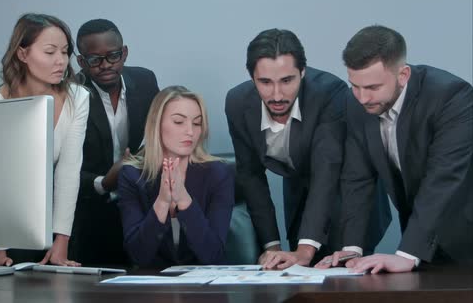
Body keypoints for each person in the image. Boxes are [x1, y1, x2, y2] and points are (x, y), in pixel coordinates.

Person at [225, 28, 390, 270]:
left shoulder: (329, 93)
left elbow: (327, 168)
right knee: (297, 279)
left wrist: (304, 251)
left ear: (302, 72)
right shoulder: (238, 102)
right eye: (265, 82)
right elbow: (251, 177)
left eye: (287, 80)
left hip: (346, 202)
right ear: (252, 78)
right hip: (301, 203)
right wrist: (271, 247)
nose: (277, 94)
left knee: (342, 282)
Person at [317, 25, 473, 273]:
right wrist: (352, 248)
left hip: (464, 236)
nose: (362, 98)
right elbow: (357, 179)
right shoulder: (355, 102)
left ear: (403, 75)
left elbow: (444, 179)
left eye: (372, 88)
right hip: (419, 243)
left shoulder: (453, 97)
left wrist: (407, 253)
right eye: (355, 85)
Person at [0, 13, 90, 266]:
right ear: (22, 54)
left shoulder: (78, 97)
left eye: (64, 52)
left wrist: (61, 243)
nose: (61, 61)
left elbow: (68, 172)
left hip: (57, 220)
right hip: (7, 226)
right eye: (50, 52)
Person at [68, 19, 159, 265]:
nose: (106, 65)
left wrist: (141, 157)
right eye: (95, 60)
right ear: (81, 61)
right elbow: (61, 167)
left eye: (113, 56)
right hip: (90, 209)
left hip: (139, 200)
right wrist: (103, 182)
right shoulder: (69, 95)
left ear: (125, 53)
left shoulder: (146, 81)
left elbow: (158, 133)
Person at [117, 86, 234, 267]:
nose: (190, 131)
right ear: (156, 124)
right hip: (152, 289)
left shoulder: (218, 174)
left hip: (205, 289)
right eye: (179, 122)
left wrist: (184, 200)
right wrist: (162, 202)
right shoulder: (132, 176)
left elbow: (214, 256)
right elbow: (138, 256)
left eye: (197, 123)